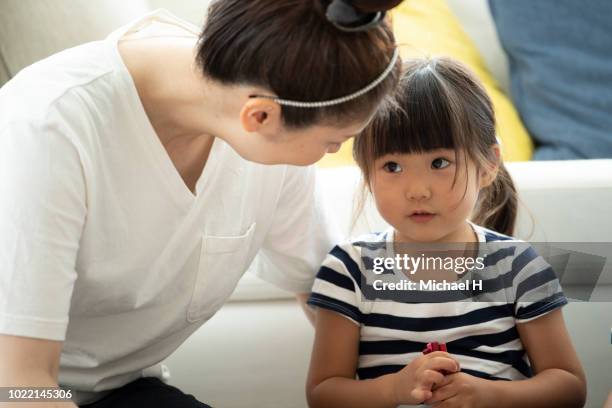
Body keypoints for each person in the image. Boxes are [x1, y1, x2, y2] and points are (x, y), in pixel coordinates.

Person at [0, 0, 404, 406]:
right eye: (332, 142)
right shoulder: (46, 132)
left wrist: (409, 379)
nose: (328, 152)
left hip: (122, 392)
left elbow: (320, 286)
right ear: (260, 117)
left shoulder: (274, 91)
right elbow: (19, 380)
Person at [305, 57, 587, 408]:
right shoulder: (350, 269)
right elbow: (324, 394)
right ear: (366, 172)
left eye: (440, 163)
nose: (418, 190)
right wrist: (394, 389)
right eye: (392, 166)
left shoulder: (518, 266)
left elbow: (569, 387)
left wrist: (490, 395)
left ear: (487, 165)